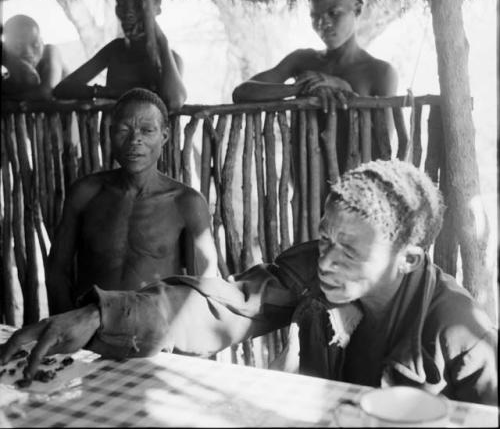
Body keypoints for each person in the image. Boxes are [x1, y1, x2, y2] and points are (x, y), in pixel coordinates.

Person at [1, 160, 496, 406]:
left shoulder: (457, 330)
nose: (327, 262)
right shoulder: (310, 276)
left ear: (407, 258)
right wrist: (101, 314)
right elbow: (224, 305)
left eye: (350, 251)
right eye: (325, 241)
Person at [233, 0, 408, 199]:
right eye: (315, 17)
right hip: (307, 194)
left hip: (361, 195)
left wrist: (347, 90)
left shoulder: (379, 72)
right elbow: (243, 92)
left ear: (357, 10)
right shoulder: (302, 60)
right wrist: (301, 89)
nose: (323, 23)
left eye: (333, 13)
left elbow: (384, 145)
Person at [44, 87, 218, 315]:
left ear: (164, 136)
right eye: (124, 130)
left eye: (147, 131)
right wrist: (67, 326)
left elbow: (204, 285)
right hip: (88, 330)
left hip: (155, 335)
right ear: (110, 133)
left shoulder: (186, 203)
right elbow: (57, 270)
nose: (135, 139)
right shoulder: (86, 193)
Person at [52, 0, 186, 112]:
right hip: (113, 133)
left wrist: (163, 41)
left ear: (157, 10)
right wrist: (109, 93)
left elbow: (174, 101)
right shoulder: (116, 50)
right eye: (121, 4)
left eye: (139, 5)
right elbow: (62, 89)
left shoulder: (169, 59)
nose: (128, 12)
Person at [2, 14, 68, 101]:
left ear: (42, 42)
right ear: (6, 48)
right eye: (18, 46)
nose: (28, 52)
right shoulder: (8, 68)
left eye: (35, 45)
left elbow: (47, 93)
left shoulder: (49, 52)